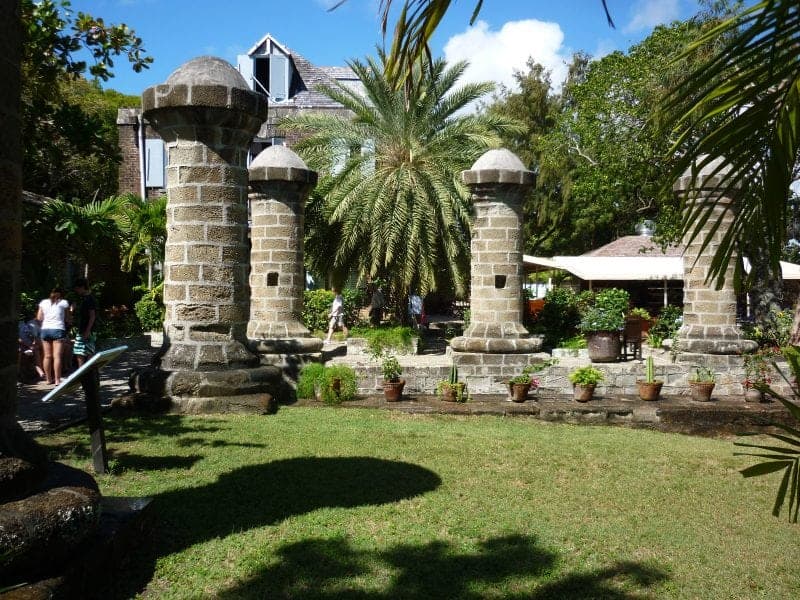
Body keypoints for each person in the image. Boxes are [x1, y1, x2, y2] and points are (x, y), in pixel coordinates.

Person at [37, 287, 70, 385]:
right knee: (57, 356)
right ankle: (57, 380)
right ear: (61, 294)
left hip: (45, 330)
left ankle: (48, 379)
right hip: (58, 329)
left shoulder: (43, 303)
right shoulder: (64, 303)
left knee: (47, 356)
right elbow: (68, 319)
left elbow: (39, 318)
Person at [72, 277, 97, 368]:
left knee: (85, 351)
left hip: (87, 330)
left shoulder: (89, 299)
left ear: (82, 287)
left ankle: (86, 372)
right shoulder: (82, 299)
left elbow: (92, 316)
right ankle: (83, 372)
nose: (76, 290)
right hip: (82, 329)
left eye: (77, 288)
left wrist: (88, 330)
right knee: (80, 351)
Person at [18, 313, 45, 382]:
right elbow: (18, 339)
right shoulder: (15, 325)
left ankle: (41, 372)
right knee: (21, 351)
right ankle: (40, 372)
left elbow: (31, 336)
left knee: (36, 350)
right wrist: (29, 346)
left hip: (28, 345)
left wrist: (32, 344)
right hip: (22, 346)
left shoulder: (22, 324)